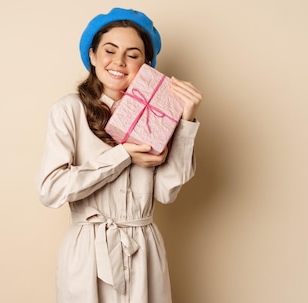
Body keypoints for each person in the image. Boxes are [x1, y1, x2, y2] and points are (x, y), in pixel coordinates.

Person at [35, 7, 202, 303]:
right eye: (109, 50)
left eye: (133, 54)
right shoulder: (69, 110)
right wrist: (122, 155)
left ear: (147, 63)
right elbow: (51, 190)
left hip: (143, 249)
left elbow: (166, 192)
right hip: (88, 251)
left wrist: (186, 122)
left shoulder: (159, 115)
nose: (119, 62)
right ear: (93, 55)